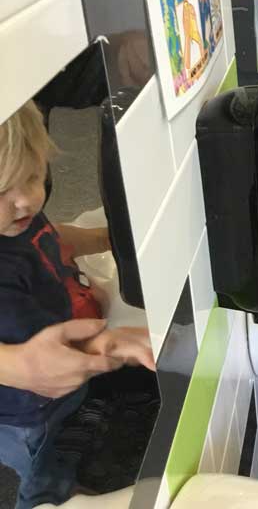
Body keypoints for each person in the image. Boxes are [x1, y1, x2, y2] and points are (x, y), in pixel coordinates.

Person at [0, 101, 155, 509]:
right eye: (0, 192)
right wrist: (112, 343)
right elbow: (45, 351)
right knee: (48, 470)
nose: (25, 202)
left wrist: (107, 237)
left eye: (33, 176)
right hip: (29, 411)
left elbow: (55, 236)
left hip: (63, 375)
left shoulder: (18, 219)